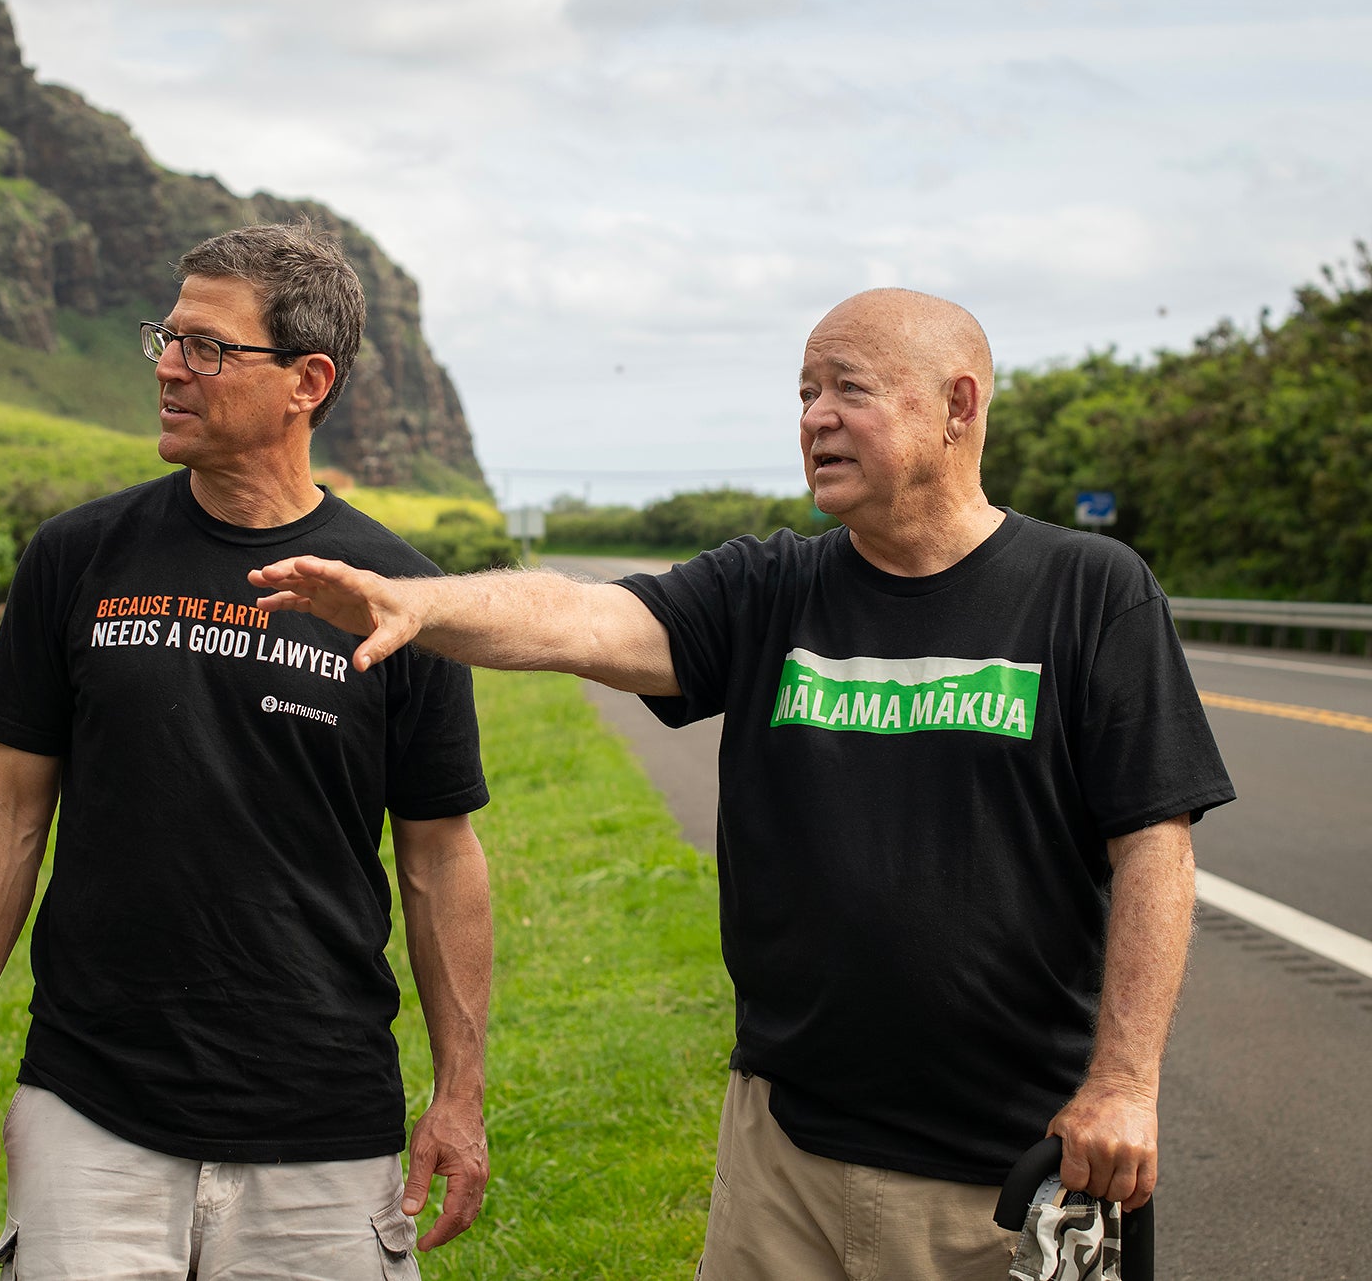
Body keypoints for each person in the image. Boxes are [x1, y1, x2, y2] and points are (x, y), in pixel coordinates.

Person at [251, 288, 1233, 1281]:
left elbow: (1152, 843)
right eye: (804, 392)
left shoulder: (1087, 590)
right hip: (780, 1157)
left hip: (999, 1175)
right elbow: (573, 616)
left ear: (957, 404)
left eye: (846, 389)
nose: (812, 416)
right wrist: (414, 603)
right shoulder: (769, 589)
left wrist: (1121, 1082)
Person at [0, 223, 493, 1280]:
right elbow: (6, 805)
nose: (169, 368)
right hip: (91, 1106)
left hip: (320, 1120)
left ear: (306, 382)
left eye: (206, 347)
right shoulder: (76, 557)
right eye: (166, 338)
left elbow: (438, 854)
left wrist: (459, 1090)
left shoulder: (396, 596)